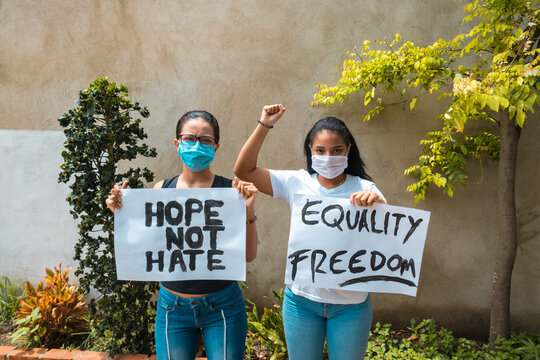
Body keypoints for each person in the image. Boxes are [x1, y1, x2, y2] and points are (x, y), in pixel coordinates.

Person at [233, 104, 386, 360]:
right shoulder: (296, 182)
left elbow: (390, 234)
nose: (328, 157)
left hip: (351, 305)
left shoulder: (366, 187)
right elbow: (244, 171)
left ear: (348, 150)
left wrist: (377, 203)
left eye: (336, 150)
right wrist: (264, 124)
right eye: (320, 150)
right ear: (310, 152)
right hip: (301, 302)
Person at [106, 110, 258, 360]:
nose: (196, 145)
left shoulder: (230, 191)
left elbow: (250, 255)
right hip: (172, 308)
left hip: (223, 306)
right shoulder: (160, 191)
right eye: (189, 138)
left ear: (216, 146)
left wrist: (249, 212)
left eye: (206, 140)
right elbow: (144, 245)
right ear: (177, 144)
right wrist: (121, 211)